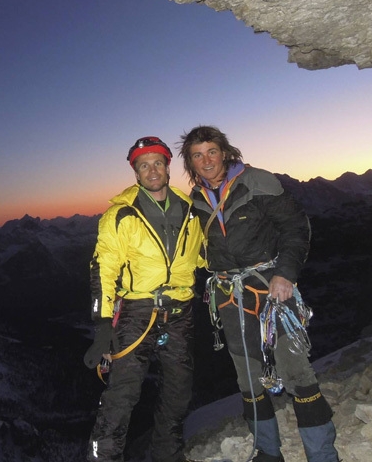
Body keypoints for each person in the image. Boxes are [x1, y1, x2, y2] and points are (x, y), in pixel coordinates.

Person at [178, 126, 339, 462]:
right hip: (228, 295)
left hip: (270, 289)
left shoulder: (258, 181)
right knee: (248, 378)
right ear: (190, 163)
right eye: (197, 155)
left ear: (225, 152)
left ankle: (323, 455)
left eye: (211, 151)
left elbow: (296, 228)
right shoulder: (195, 200)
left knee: (296, 371)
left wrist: (285, 274)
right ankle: (268, 451)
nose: (206, 160)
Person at [83, 136, 205, 462]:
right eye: (143, 165)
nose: (152, 171)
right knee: (121, 397)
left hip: (180, 311)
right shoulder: (121, 215)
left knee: (178, 394)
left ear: (168, 167)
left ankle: (167, 455)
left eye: (158, 163)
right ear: (136, 173)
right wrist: (103, 324)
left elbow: (207, 256)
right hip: (137, 312)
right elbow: (102, 269)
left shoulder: (192, 211)